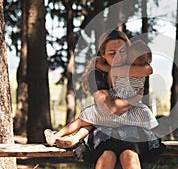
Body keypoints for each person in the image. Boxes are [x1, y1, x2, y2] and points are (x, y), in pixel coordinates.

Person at [46, 30, 165, 168]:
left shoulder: (133, 67)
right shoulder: (97, 74)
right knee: (106, 153)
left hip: (132, 126)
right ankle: (64, 137)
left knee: (129, 154)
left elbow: (147, 69)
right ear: (103, 54)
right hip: (106, 126)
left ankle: (69, 137)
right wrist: (134, 99)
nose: (118, 57)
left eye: (122, 51)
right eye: (112, 53)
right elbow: (108, 108)